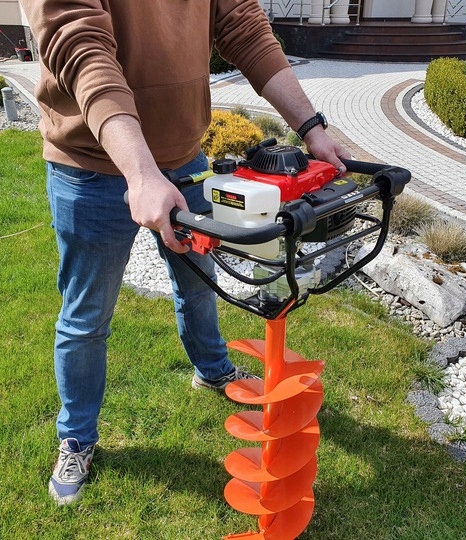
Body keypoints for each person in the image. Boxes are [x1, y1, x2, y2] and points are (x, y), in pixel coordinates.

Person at [19, 0, 351, 506]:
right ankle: (77, 438)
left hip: (184, 160)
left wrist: (312, 129)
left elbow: (244, 27)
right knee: (87, 315)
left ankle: (212, 370)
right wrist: (140, 173)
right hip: (91, 167)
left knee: (199, 282)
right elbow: (80, 45)